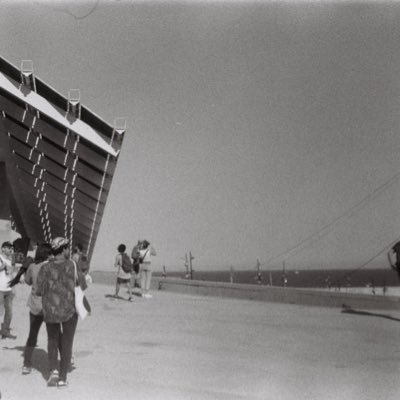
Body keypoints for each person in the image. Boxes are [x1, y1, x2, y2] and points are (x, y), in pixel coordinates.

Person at [36, 237, 87, 387]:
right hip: (70, 310)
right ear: (64, 249)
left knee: (52, 340)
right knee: (67, 342)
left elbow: (38, 290)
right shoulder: (73, 264)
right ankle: (63, 377)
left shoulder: (45, 267)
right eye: (67, 248)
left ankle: (53, 372)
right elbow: (82, 285)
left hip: (50, 309)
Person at [22, 243, 52, 374]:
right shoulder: (51, 267)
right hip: (49, 306)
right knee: (53, 336)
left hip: (34, 305)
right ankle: (56, 365)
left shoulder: (33, 266)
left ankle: (26, 364)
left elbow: (27, 281)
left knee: (32, 335)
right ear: (47, 254)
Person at [0, 241, 16, 339]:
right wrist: (3, 267)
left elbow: (11, 275)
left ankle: (5, 331)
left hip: (9, 290)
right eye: (8, 248)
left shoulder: (11, 260)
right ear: (2, 249)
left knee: (9, 312)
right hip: (0, 290)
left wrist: (13, 288)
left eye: (11, 248)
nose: (10, 249)